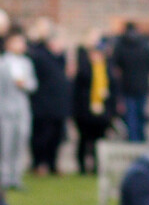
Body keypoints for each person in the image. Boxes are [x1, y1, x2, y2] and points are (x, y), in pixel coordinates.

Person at [28, 22, 73, 176]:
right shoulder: (40, 56)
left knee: (57, 137)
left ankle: (53, 164)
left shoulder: (61, 60)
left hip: (59, 106)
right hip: (44, 105)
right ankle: (39, 163)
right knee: (42, 137)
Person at [73, 31, 117, 174]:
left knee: (100, 140)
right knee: (85, 139)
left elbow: (114, 89)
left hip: (102, 110)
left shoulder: (107, 69)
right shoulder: (84, 69)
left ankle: (98, 166)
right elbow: (77, 91)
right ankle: (82, 167)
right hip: (86, 110)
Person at [0, 31, 38, 190]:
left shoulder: (26, 63)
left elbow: (33, 85)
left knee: (20, 143)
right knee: (5, 145)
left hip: (22, 110)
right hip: (5, 110)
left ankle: (16, 178)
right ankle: (4, 178)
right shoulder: (2, 63)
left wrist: (25, 85)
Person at [112, 20, 149, 142]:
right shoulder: (145, 45)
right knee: (141, 113)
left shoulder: (120, 45)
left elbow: (115, 65)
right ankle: (142, 138)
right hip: (143, 85)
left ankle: (133, 139)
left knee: (131, 115)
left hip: (127, 85)